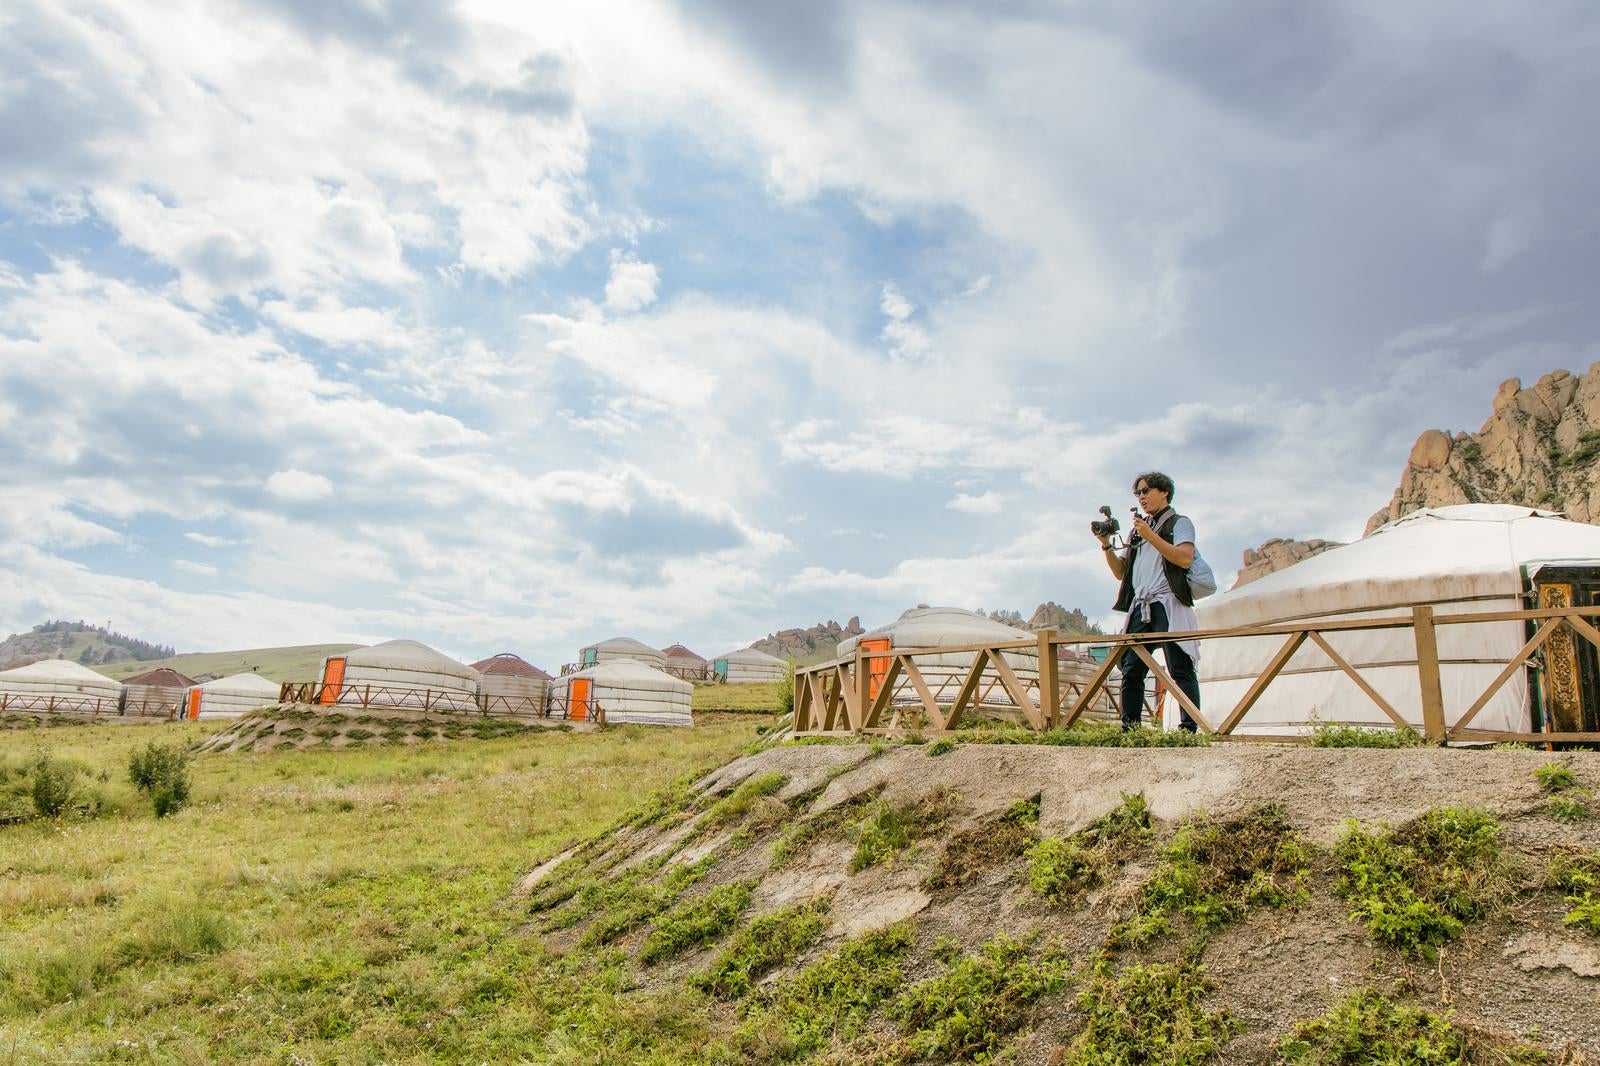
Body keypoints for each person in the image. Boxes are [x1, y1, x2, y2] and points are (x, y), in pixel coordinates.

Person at [1092, 471, 1201, 732]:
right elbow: (1121, 573)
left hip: (1167, 602)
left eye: (1146, 490)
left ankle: (1189, 729)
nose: (1141, 496)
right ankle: (1130, 729)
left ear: (1163, 492)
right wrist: (1106, 545)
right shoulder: (1137, 532)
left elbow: (1184, 558)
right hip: (1141, 606)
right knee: (1131, 669)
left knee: (1179, 666)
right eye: (1137, 493)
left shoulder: (1180, 523)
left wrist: (1150, 534)